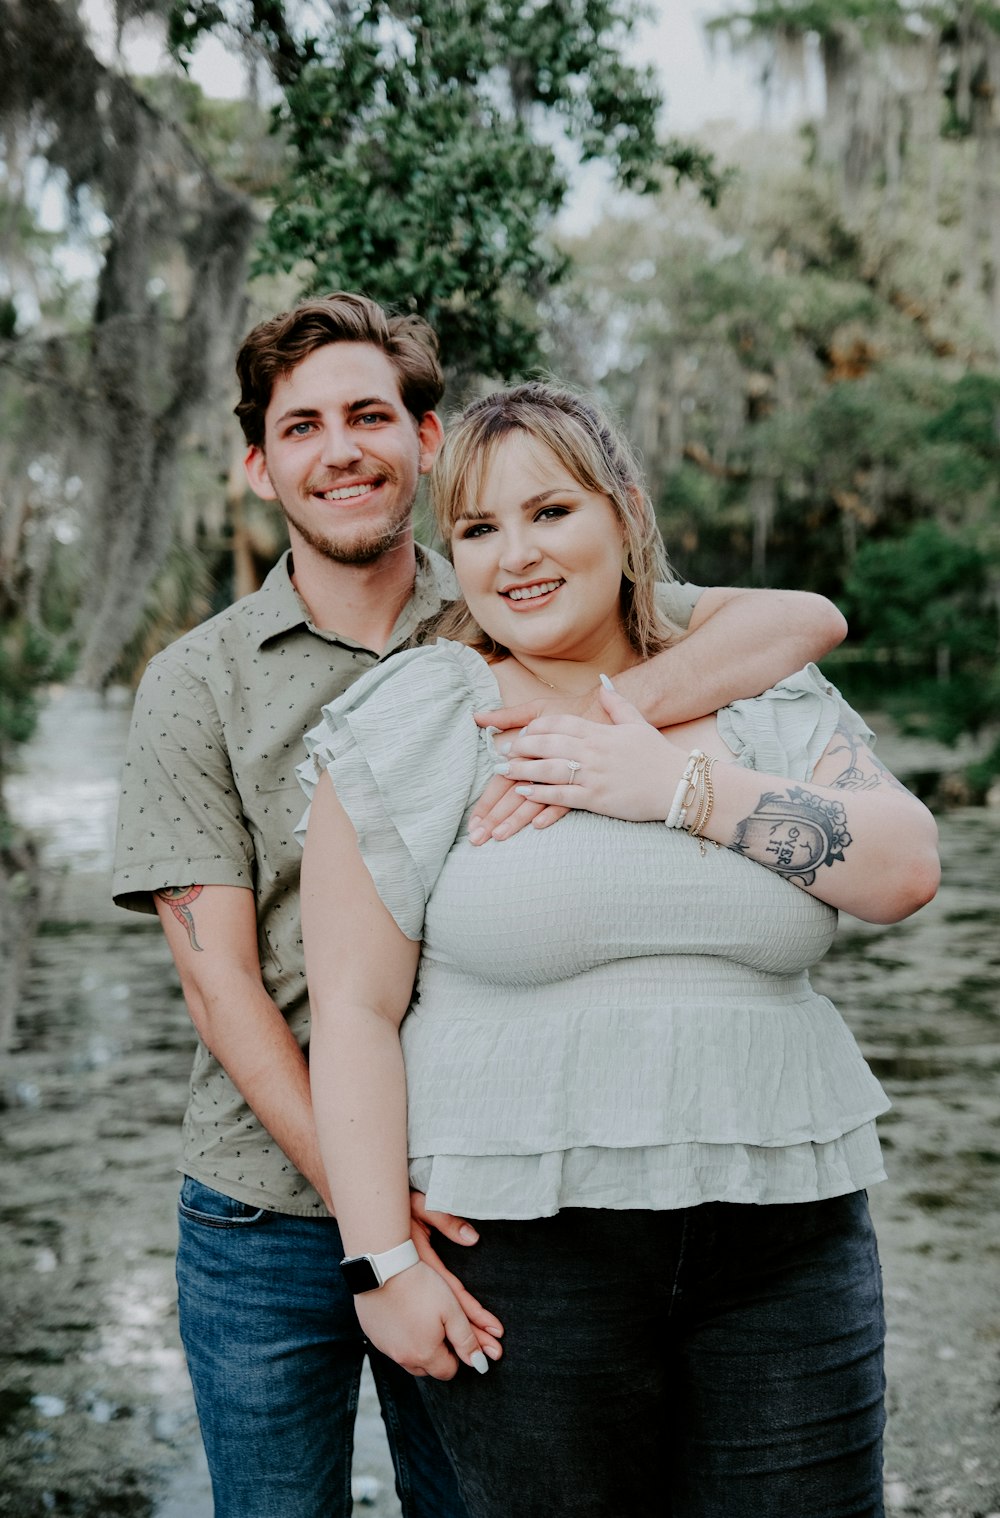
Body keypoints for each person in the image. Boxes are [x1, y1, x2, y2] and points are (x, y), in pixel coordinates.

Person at [112, 292, 849, 1518]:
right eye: (300, 428)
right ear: (257, 466)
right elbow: (219, 978)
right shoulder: (198, 681)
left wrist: (596, 717)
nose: (339, 448)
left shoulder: (521, 592)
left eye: (367, 416)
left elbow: (802, 620)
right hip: (269, 1201)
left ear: (423, 438)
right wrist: (374, 1218)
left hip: (483, 1182)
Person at [297, 381, 940, 1518]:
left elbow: (898, 867)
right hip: (528, 1257)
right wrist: (381, 1265)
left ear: (625, 515)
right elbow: (349, 1008)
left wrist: (675, 786)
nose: (516, 556)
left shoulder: (762, 695)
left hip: (785, 1236)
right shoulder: (419, 719)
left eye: (550, 512)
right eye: (479, 530)